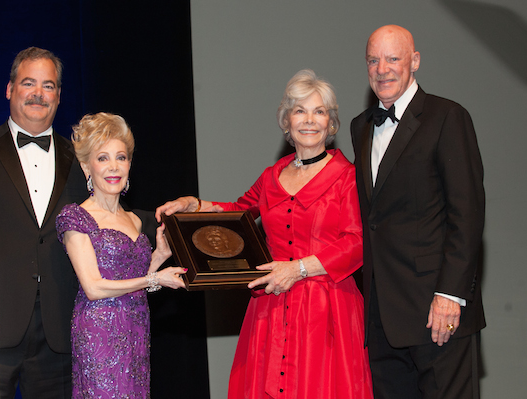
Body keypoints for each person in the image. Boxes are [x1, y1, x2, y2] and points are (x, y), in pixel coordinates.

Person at [157, 69, 373, 399]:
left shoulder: (347, 177)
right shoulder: (273, 175)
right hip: (272, 308)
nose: (309, 120)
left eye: (319, 111)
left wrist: (298, 268)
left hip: (326, 311)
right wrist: (194, 203)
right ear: (286, 121)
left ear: (331, 123)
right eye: (300, 110)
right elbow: (239, 212)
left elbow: (358, 243)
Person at [350, 25, 485, 399]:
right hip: (381, 316)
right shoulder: (360, 127)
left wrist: (450, 295)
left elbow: (467, 214)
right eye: (373, 60)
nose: (382, 69)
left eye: (393, 58)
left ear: (415, 61)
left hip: (436, 310)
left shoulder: (447, 116)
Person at [0, 47, 87, 398]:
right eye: (29, 83)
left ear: (58, 96)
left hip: (60, 326)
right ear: (10, 90)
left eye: (49, 85)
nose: (39, 93)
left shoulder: (81, 158)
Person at [56, 112, 187, 398]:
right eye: (102, 158)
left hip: (136, 328)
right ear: (86, 166)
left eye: (121, 157)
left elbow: (133, 280)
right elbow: (93, 287)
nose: (113, 166)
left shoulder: (135, 221)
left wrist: (159, 257)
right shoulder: (75, 217)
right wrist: (156, 278)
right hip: (98, 332)